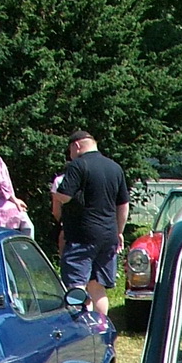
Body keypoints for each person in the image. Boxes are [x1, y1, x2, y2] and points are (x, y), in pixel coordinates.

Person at [52, 129, 130, 318]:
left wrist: (60, 196)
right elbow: (123, 205)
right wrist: (119, 231)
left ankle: (81, 327)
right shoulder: (114, 168)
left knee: (76, 285)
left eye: (70, 150)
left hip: (82, 235)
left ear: (76, 145)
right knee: (97, 287)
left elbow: (64, 195)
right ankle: (102, 326)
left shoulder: (78, 165)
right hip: (108, 234)